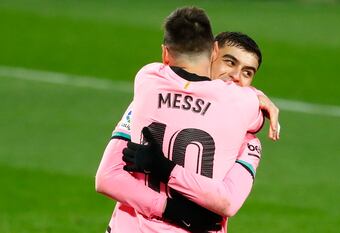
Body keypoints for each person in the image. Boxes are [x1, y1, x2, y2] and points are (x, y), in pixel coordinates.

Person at [95, 7, 278, 233]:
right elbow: (107, 177)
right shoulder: (246, 113)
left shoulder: (147, 87)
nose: (236, 78)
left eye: (248, 73)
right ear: (213, 52)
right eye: (230, 62)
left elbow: (108, 177)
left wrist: (165, 178)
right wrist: (259, 97)